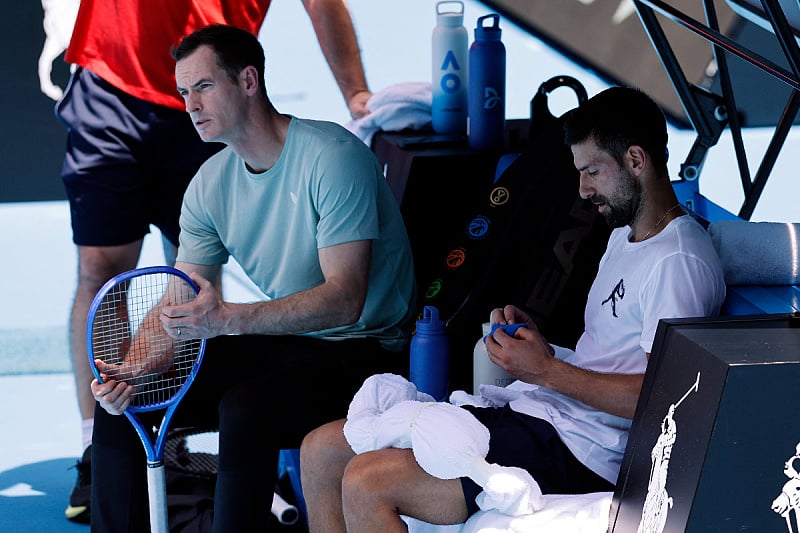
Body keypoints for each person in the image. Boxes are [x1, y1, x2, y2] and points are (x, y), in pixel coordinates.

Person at [298, 86, 727, 531]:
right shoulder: (625, 234)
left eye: (593, 172)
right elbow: (610, 357)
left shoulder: (678, 263)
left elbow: (668, 401)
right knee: (321, 451)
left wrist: (545, 370)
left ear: (636, 161)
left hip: (585, 452)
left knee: (369, 483)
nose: (582, 190)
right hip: (544, 414)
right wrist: (544, 350)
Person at [86, 23, 414, 532]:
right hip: (286, 343)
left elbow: (344, 299)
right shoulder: (208, 185)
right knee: (122, 408)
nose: (191, 104)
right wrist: (133, 372)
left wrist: (228, 320)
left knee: (245, 408)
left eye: (203, 86)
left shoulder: (333, 157)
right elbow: (177, 303)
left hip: (369, 350)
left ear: (247, 81)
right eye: (183, 92)